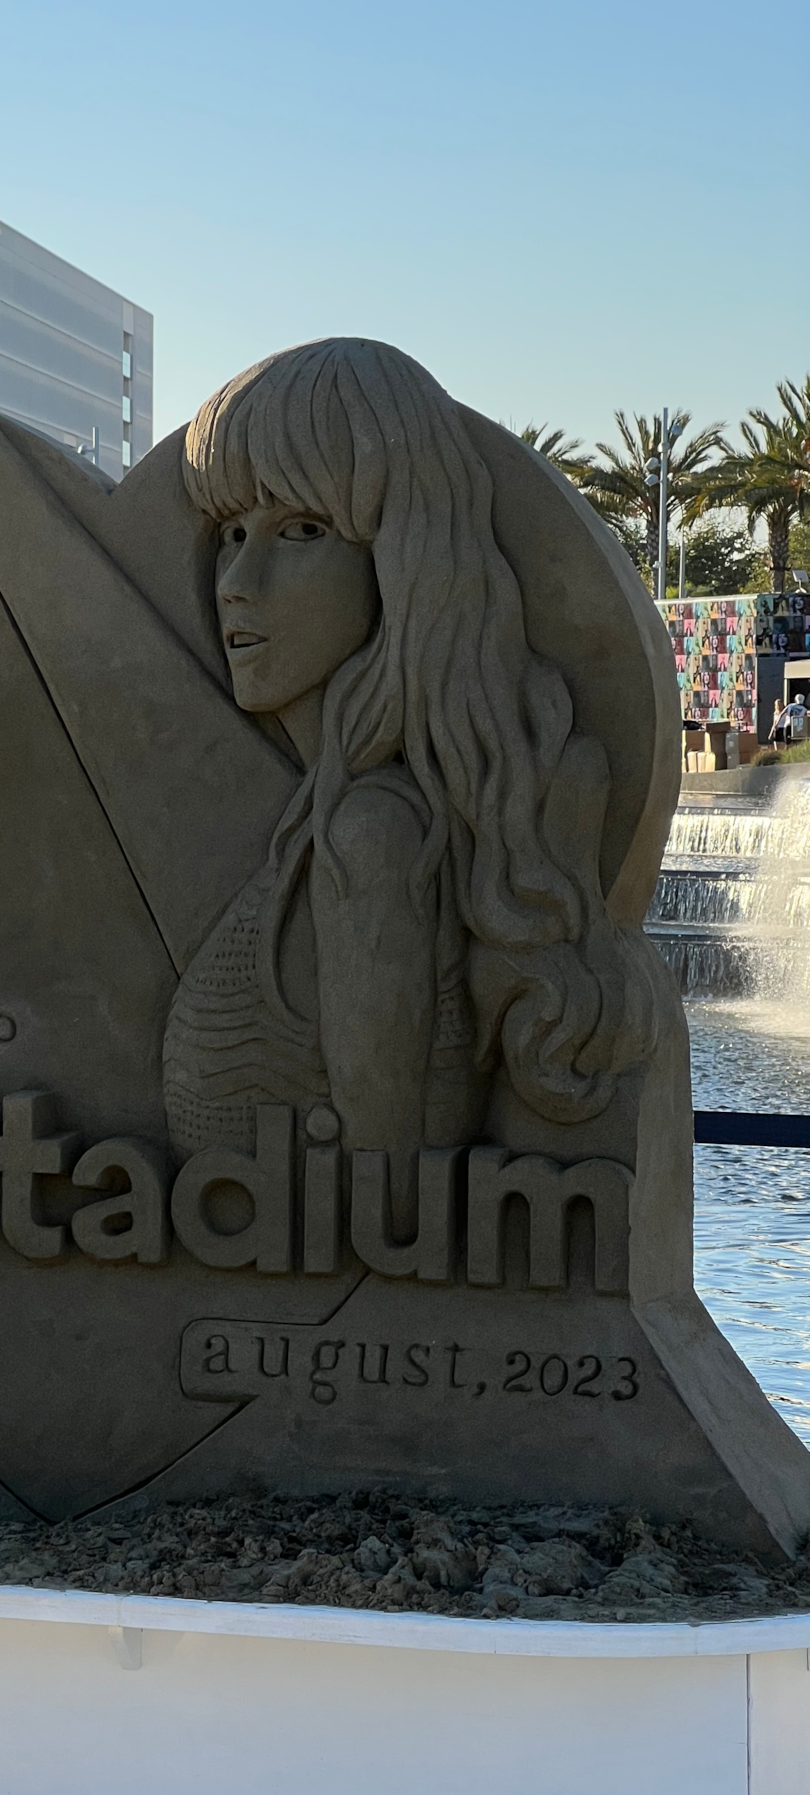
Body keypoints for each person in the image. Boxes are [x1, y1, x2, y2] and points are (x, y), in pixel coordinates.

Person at [164, 337, 660, 1189]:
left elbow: (377, 1211)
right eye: (233, 532)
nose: (238, 581)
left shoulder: (373, 834)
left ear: (400, 562)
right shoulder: (334, 819)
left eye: (303, 531)